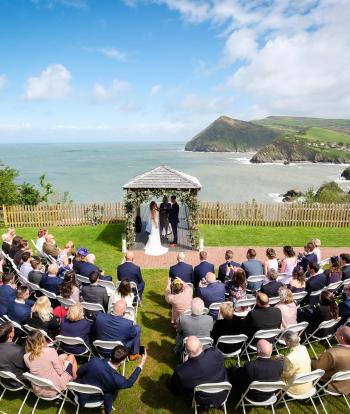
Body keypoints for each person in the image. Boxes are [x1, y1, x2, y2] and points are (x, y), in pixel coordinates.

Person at [76, 345, 147, 414]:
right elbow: (129, 383)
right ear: (122, 362)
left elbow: (78, 372)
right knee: (110, 393)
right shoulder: (118, 380)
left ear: (110, 354)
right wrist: (141, 365)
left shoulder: (94, 361)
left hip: (80, 393)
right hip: (97, 398)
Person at [168, 336, 228, 409]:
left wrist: (185, 363)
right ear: (202, 346)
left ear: (186, 351)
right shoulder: (215, 353)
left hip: (202, 399)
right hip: (222, 394)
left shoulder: (182, 371)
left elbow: (174, 389)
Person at [24, 330, 77, 398]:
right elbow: (60, 371)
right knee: (71, 356)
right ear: (41, 339)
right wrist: (63, 363)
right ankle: (74, 379)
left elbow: (41, 365)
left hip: (38, 389)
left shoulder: (26, 356)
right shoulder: (50, 351)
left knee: (64, 356)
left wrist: (60, 360)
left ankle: (72, 378)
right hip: (55, 388)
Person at [311, 325, 350, 394]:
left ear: (341, 337)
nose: (335, 334)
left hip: (331, 384)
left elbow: (316, 368)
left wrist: (310, 360)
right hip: (347, 385)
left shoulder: (333, 354)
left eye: (336, 332)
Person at [0, 322, 27, 387]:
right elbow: (26, 366)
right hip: (16, 382)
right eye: (13, 330)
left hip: (2, 379)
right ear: (10, 335)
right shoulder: (18, 351)